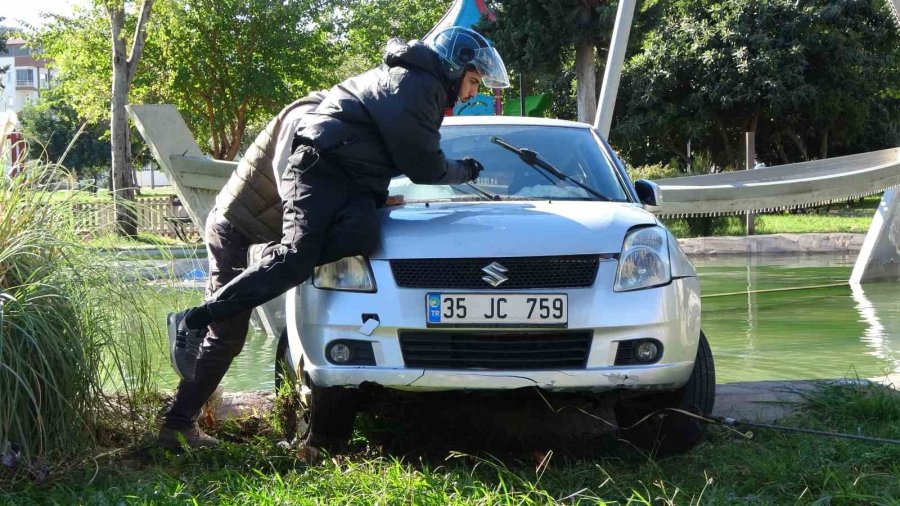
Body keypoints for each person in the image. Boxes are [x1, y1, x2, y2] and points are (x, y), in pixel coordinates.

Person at [163, 26, 510, 449]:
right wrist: (465, 171)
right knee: (269, 287)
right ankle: (191, 342)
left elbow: (380, 149)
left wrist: (372, 199)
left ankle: (185, 409)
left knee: (357, 236)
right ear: (455, 67)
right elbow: (422, 165)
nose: (473, 93)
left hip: (334, 187)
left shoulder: (404, 88)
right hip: (277, 198)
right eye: (474, 81)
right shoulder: (411, 87)